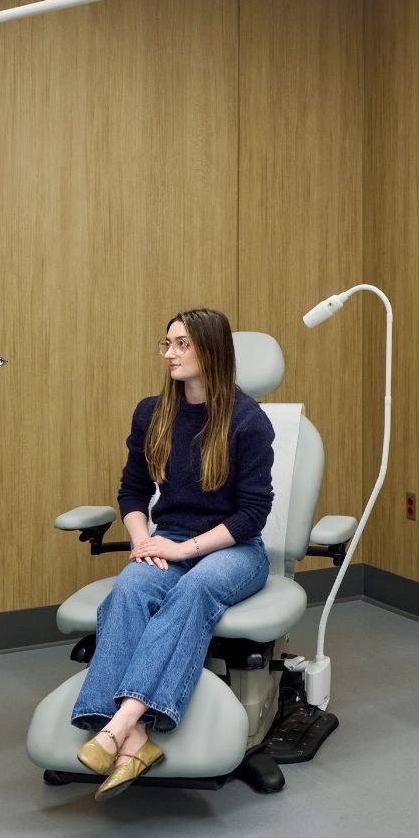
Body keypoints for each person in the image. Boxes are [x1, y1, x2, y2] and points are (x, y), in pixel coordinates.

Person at [71, 307, 275, 800]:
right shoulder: (152, 413)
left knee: (197, 588)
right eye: (166, 344)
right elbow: (133, 491)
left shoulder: (249, 421)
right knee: (130, 588)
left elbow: (251, 515)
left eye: (182, 344)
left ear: (212, 350)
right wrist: (142, 540)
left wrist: (185, 548)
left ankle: (120, 723)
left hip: (233, 548)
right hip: (169, 539)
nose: (170, 354)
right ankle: (135, 738)